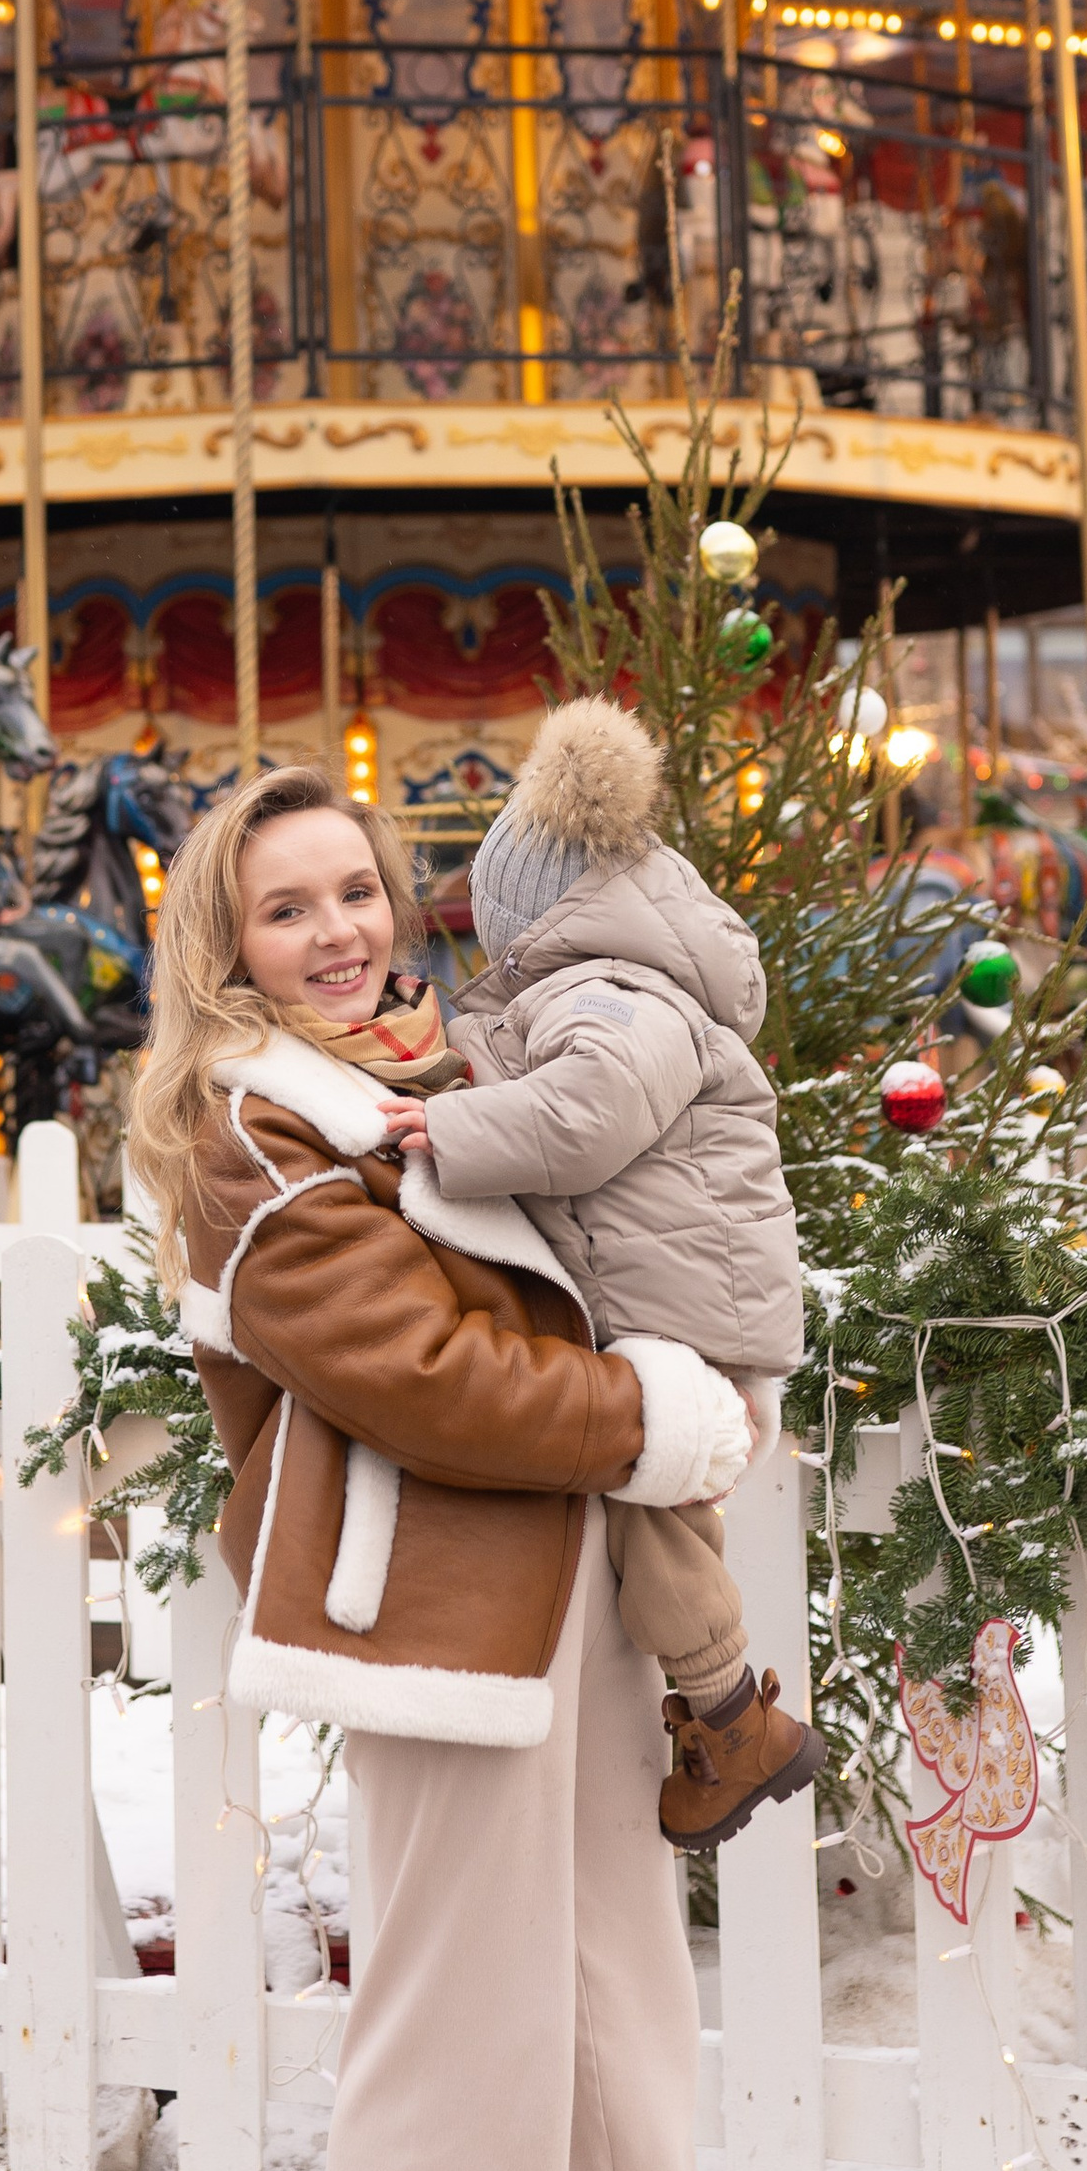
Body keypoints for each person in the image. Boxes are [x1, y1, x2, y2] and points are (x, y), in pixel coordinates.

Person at [128, 762, 833, 2171]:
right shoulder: (255, 1135)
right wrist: (646, 1418)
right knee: (457, 2043)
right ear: (229, 950)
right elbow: (420, 1371)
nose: (342, 930)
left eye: (358, 890)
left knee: (616, 2012)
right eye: (291, 909)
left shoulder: (450, 1075)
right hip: (433, 1612)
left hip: (575, 1594)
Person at [374, 697, 821, 1851]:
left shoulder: (610, 993)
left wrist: (449, 1133)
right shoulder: (612, 987)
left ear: (533, 917)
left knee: (652, 1508)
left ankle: (730, 1717)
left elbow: (586, 1116)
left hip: (681, 1307)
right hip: (680, 1289)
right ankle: (722, 1709)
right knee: (652, 1502)